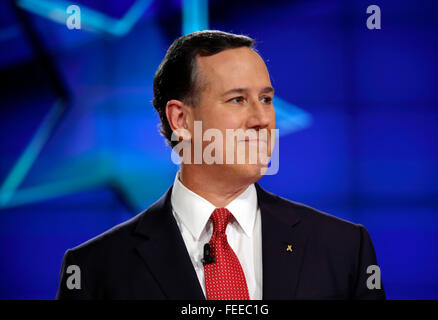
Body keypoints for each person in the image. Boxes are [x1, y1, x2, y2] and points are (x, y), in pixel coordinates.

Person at [56, 30, 385, 300]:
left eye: (266, 100)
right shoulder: (94, 271)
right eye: (238, 100)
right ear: (181, 119)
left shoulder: (344, 250)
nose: (262, 120)